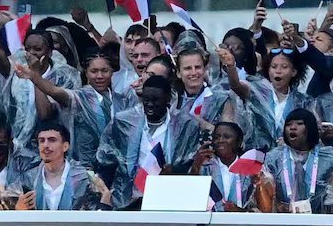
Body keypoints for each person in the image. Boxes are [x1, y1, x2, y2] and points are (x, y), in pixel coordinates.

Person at [99, 76, 201, 208]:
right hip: (130, 198)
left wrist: (174, 170)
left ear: (168, 99)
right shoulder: (125, 121)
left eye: (156, 100)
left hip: (168, 197)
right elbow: (106, 158)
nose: (150, 104)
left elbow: (190, 162)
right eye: (146, 99)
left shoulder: (185, 125)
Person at [264, 108, 333, 212]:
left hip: (322, 219)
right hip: (283, 219)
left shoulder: (331, 158)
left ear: (310, 128)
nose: (292, 127)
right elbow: (265, 194)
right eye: (288, 125)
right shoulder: (273, 158)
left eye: (299, 124)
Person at [19, 123, 107, 209]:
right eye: (42, 141)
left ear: (65, 146)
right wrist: (18, 209)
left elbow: (100, 207)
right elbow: (16, 208)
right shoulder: (28, 178)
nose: (45, 145)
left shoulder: (85, 175)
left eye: (52, 140)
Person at [201, 120, 266, 211]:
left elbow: (261, 208)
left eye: (226, 137)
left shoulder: (252, 168)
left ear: (239, 142)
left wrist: (239, 211)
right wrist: (195, 167)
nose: (220, 141)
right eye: (216, 137)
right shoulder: (205, 167)